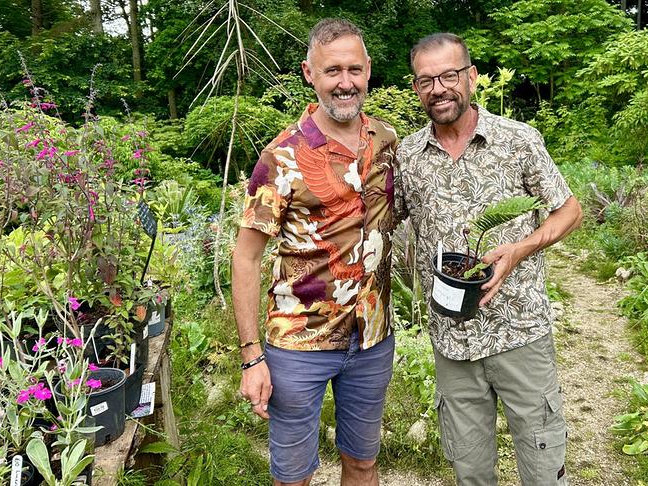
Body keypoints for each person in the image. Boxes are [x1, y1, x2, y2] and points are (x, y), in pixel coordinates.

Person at [395, 33, 583, 486]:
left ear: (472, 78)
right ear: (417, 89)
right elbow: (380, 220)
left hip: (520, 330)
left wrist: (521, 249)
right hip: (452, 340)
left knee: (542, 468)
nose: (438, 88)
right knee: (470, 470)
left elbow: (569, 210)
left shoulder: (517, 141)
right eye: (426, 81)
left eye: (449, 76)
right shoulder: (408, 156)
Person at [232, 18, 398, 486]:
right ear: (310, 73)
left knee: (363, 462)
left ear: (368, 71)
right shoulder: (282, 156)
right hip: (297, 344)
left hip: (372, 336)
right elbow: (246, 257)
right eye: (332, 71)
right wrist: (250, 357)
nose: (344, 83)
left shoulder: (385, 142)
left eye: (354, 69)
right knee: (294, 475)